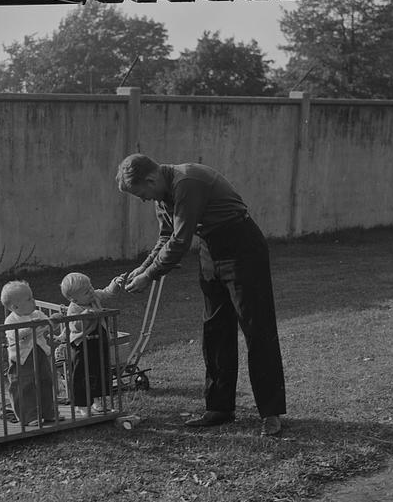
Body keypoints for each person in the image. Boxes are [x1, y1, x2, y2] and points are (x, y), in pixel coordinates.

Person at [115, 153, 285, 436]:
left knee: (257, 328)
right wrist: (142, 268)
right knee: (215, 328)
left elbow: (181, 241)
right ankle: (219, 407)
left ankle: (271, 412)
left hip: (242, 246)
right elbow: (165, 237)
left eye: (140, 193)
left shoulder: (187, 182)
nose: (143, 199)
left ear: (151, 178)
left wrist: (150, 276)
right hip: (211, 250)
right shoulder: (162, 194)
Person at [58, 272, 124, 416]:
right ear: (74, 299)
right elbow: (76, 326)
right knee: (83, 374)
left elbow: (107, 293)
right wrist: (86, 315)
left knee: (99, 371)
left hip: (98, 341)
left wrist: (115, 283)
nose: (92, 291)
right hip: (82, 344)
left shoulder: (94, 297)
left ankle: (97, 401)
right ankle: (82, 406)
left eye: (91, 286)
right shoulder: (74, 308)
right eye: (87, 291)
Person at [0, 280, 59, 427]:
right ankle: (29, 415)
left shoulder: (37, 313)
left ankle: (49, 411)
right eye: (29, 299)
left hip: (39, 353)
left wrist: (54, 321)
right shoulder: (11, 320)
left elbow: (48, 326)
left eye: (32, 297)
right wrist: (32, 326)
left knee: (46, 380)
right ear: (15, 307)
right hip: (22, 359)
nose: (34, 301)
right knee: (24, 385)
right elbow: (17, 335)